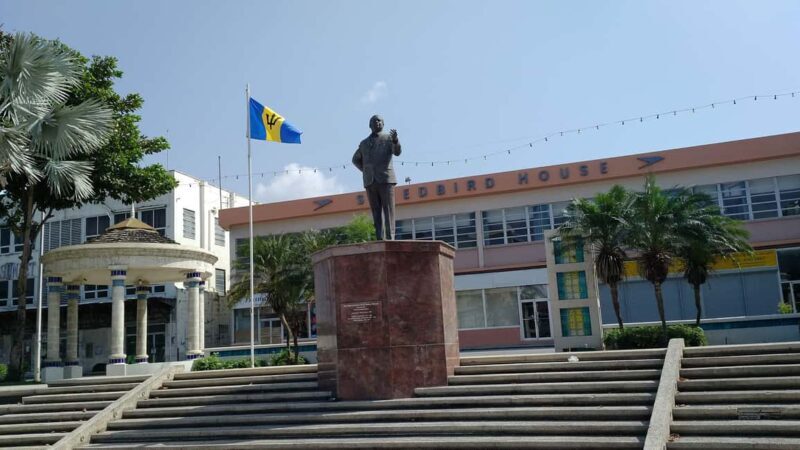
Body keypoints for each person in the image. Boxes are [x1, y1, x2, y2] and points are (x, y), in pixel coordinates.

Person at [352, 115, 402, 240]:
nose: (377, 123)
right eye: (374, 121)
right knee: (376, 212)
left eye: (379, 121)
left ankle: (391, 238)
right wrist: (366, 171)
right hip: (370, 181)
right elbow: (355, 159)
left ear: (383, 124)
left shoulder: (389, 138)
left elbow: (397, 152)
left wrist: (396, 140)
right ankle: (380, 237)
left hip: (386, 178)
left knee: (388, 210)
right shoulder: (364, 143)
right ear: (370, 125)